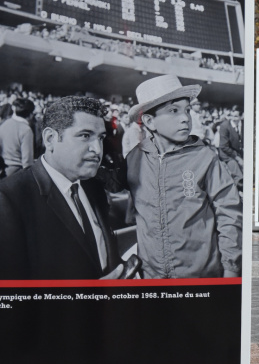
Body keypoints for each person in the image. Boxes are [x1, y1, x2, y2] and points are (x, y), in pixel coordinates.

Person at [127, 75, 242, 279]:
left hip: (202, 275)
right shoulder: (134, 158)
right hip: (152, 277)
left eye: (187, 110)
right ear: (149, 121)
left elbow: (229, 211)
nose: (185, 118)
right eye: (174, 111)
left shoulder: (205, 157)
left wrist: (231, 267)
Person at [0, 96, 124, 279]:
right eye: (85, 136)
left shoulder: (94, 184)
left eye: (101, 138)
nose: (97, 149)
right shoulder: (9, 198)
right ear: (50, 139)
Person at [0, 97, 35, 176]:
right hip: (17, 173)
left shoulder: (4, 124)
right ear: (30, 114)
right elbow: (27, 161)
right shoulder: (26, 130)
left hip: (2, 170)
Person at [218, 106, 243, 185]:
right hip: (226, 154)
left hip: (239, 152)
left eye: (236, 116)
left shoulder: (244, 124)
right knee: (237, 172)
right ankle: (240, 185)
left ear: (241, 116)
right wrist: (238, 158)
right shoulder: (224, 126)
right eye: (232, 116)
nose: (233, 118)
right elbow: (223, 146)